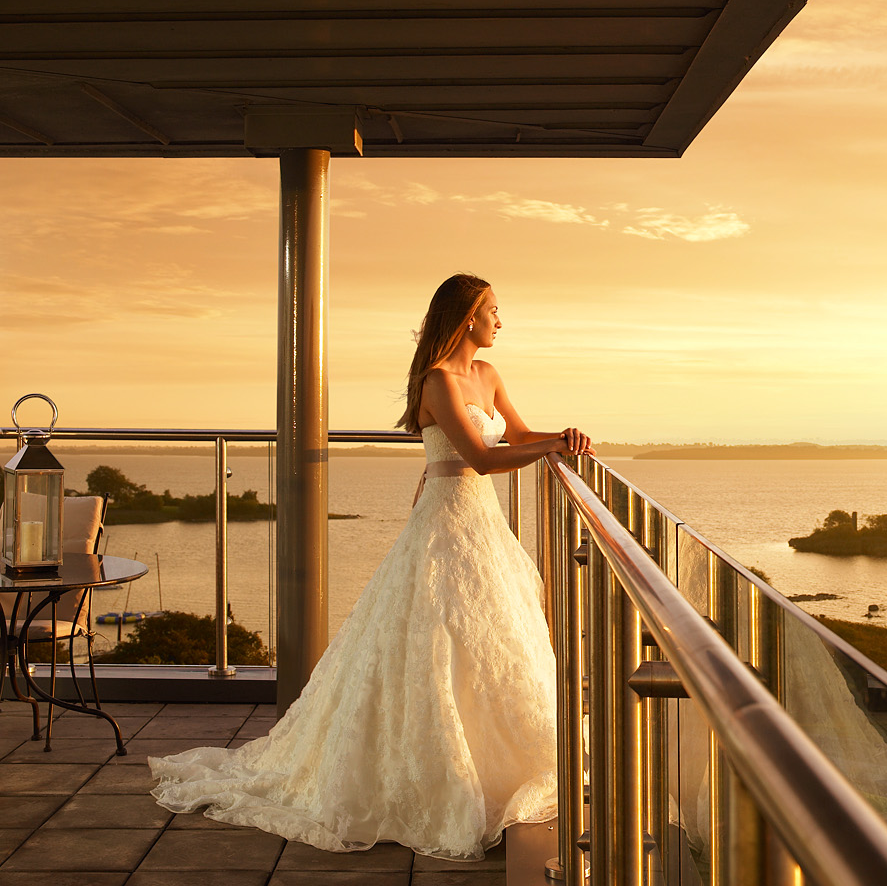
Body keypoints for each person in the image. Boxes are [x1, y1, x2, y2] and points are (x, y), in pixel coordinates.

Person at [148, 273, 592, 861]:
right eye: (492, 312)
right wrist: (553, 449)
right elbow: (483, 457)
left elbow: (519, 433)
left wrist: (562, 435)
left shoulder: (488, 376)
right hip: (443, 522)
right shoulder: (437, 382)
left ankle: (499, 769)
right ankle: (439, 778)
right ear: (467, 318)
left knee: (493, 642)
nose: (499, 322)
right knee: (436, 643)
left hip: (484, 528)